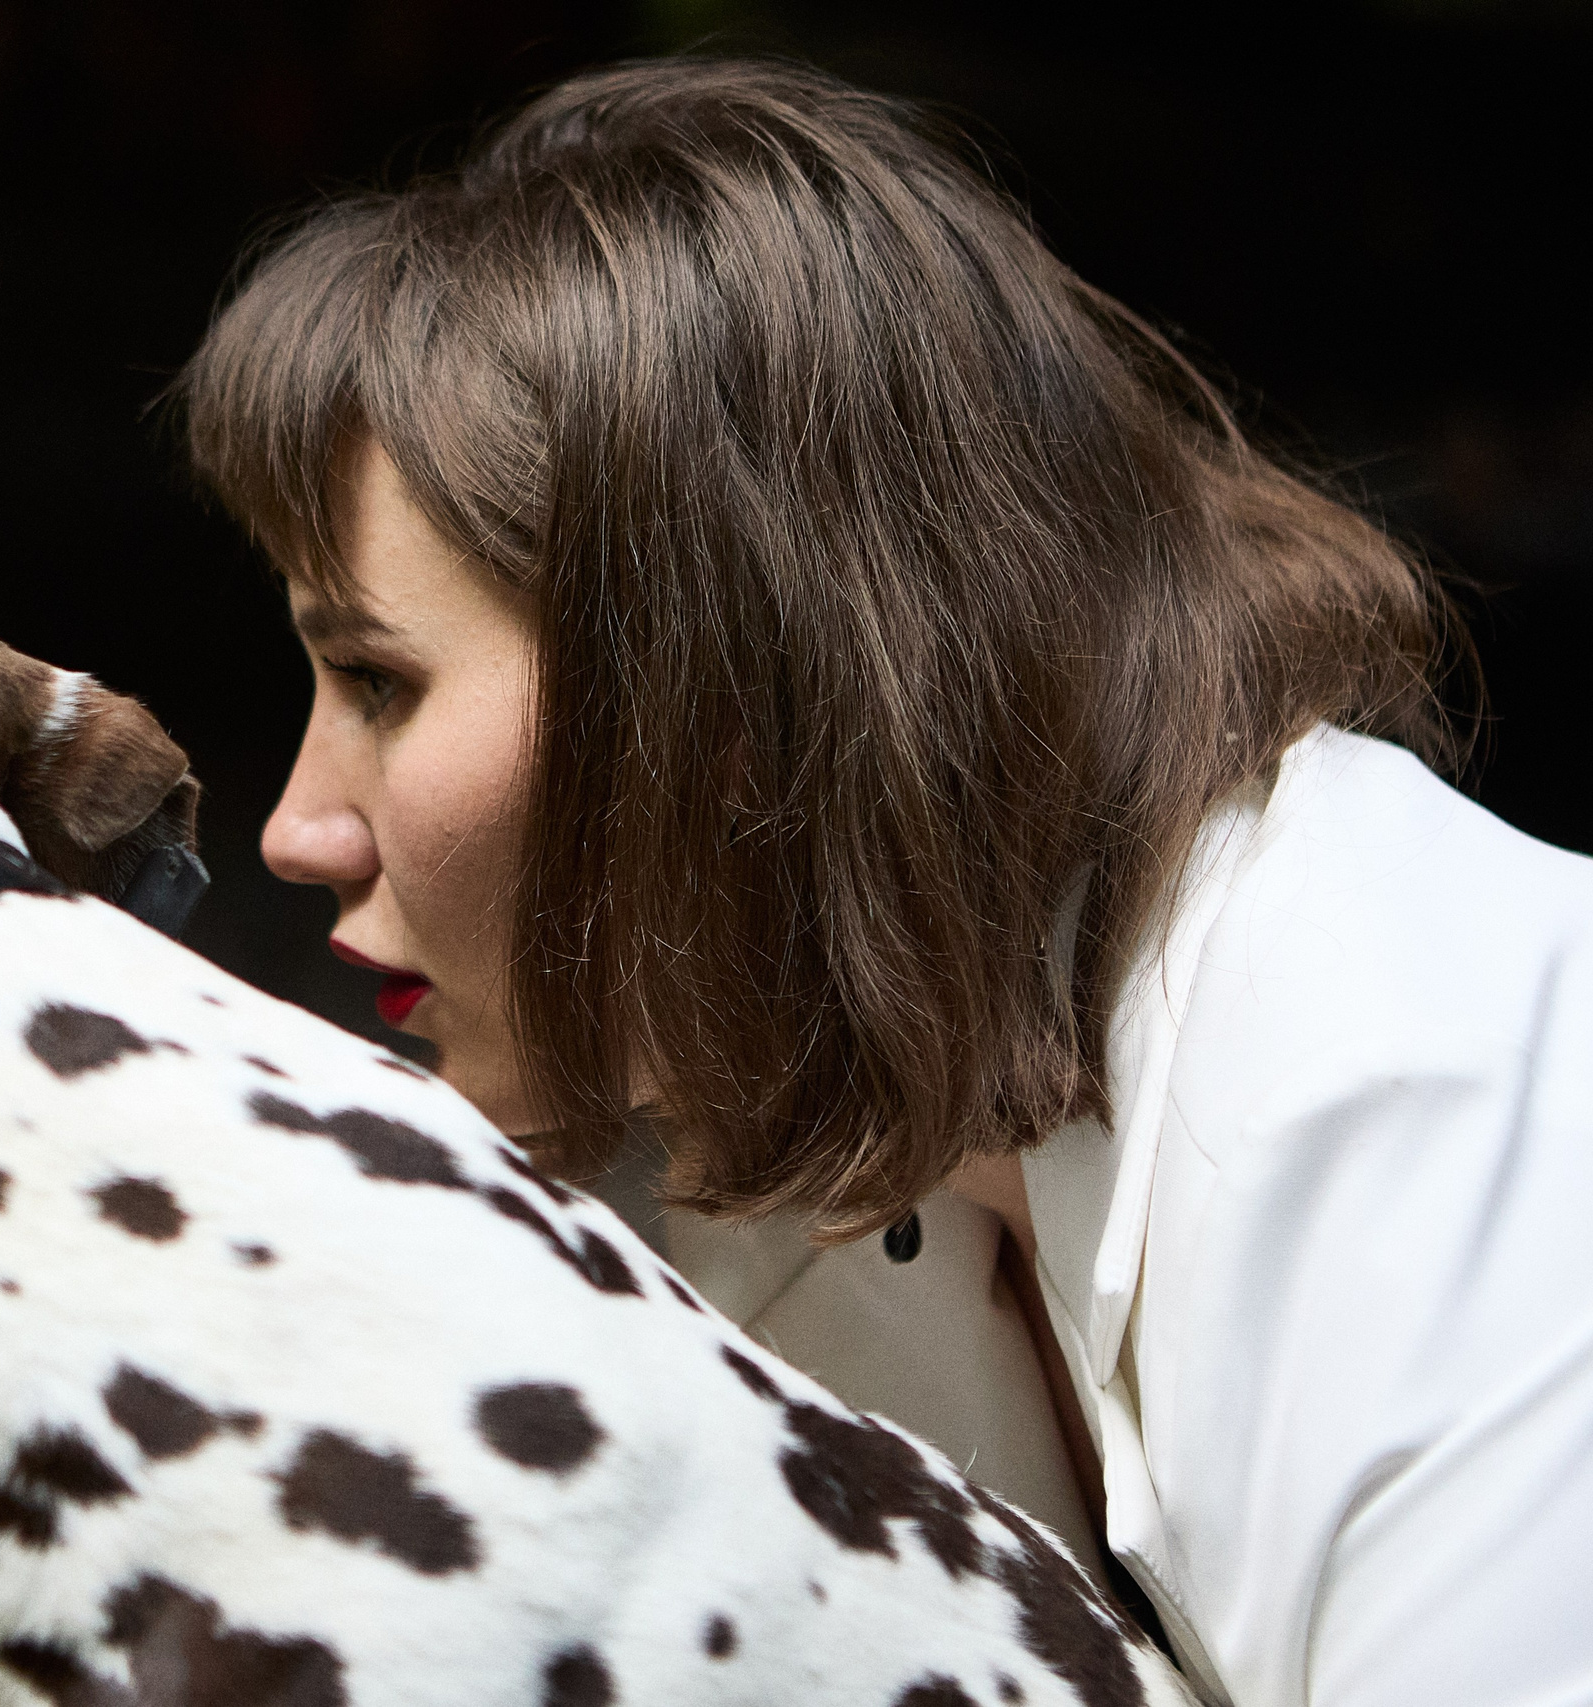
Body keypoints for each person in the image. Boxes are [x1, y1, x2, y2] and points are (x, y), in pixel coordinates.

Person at [174, 57, 1593, 1707]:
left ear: (731, 702)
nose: (297, 828)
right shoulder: (840, 1163)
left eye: (377, 683)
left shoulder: (1425, 1112)